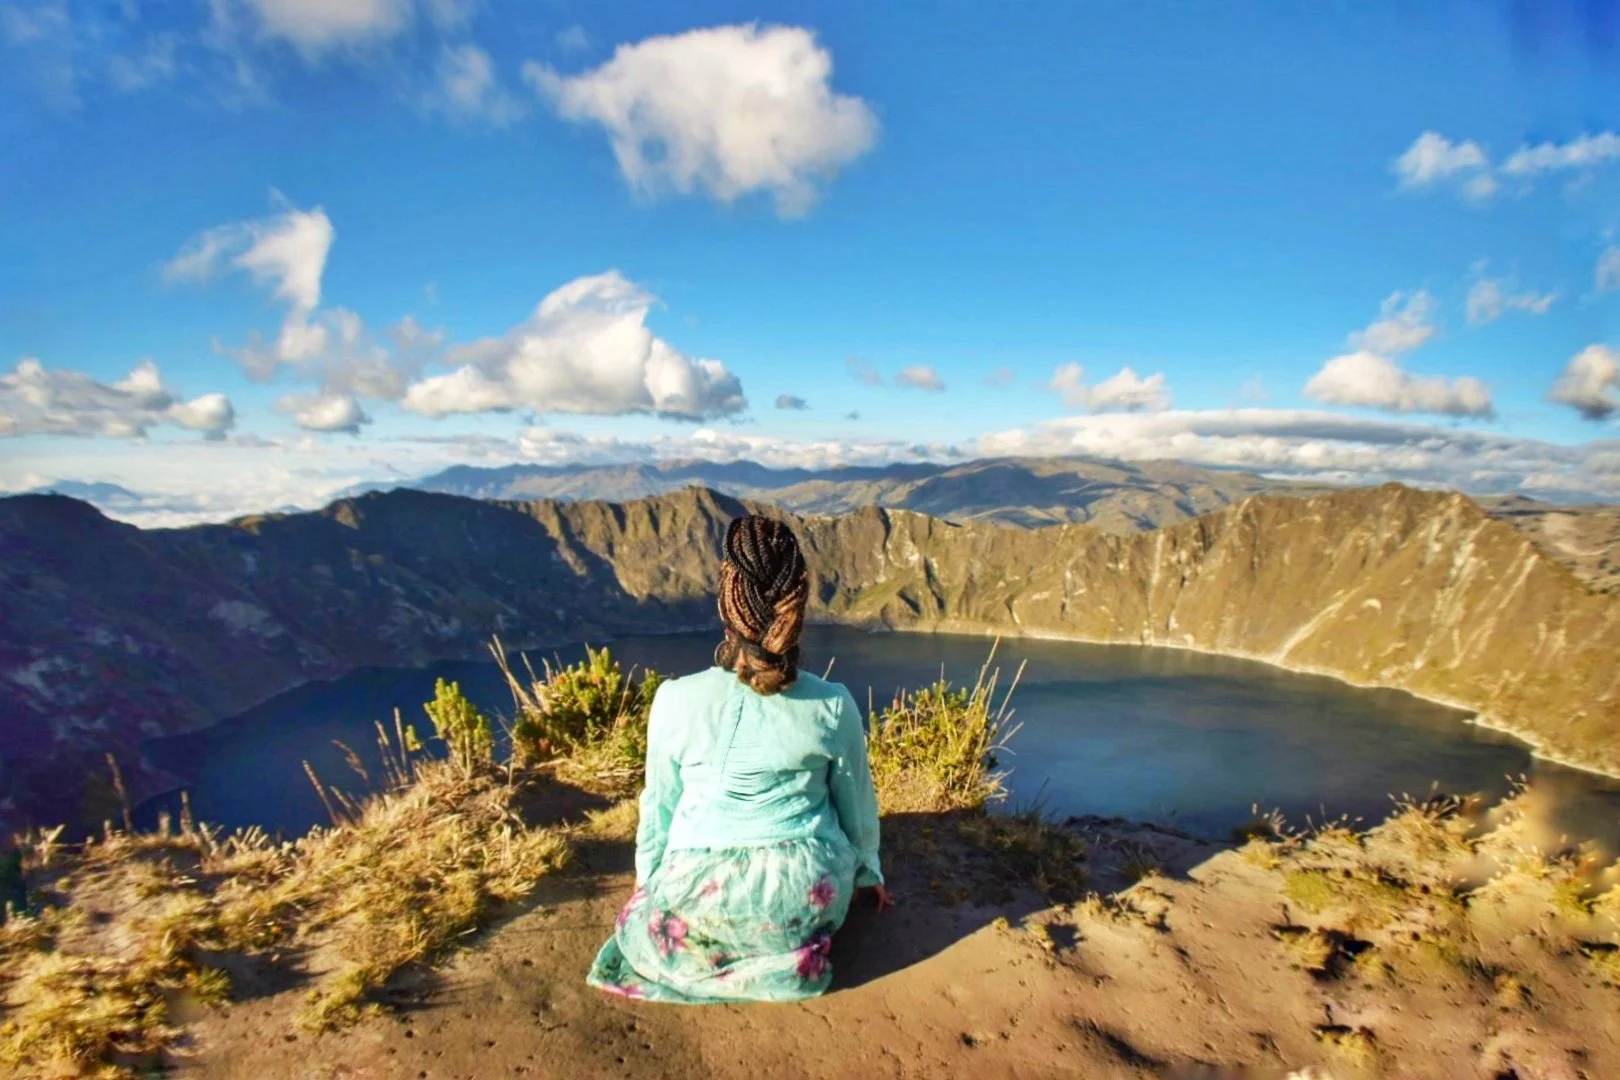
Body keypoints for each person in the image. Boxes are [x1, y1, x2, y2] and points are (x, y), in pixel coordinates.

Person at [586, 514, 893, 1003]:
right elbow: (855, 802)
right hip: (800, 895)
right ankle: (785, 956)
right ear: (797, 605)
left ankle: (702, 953)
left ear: (727, 605)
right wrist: (867, 872)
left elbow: (659, 805)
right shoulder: (832, 705)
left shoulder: (673, 700)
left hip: (693, 900)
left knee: (655, 932)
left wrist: (648, 884)